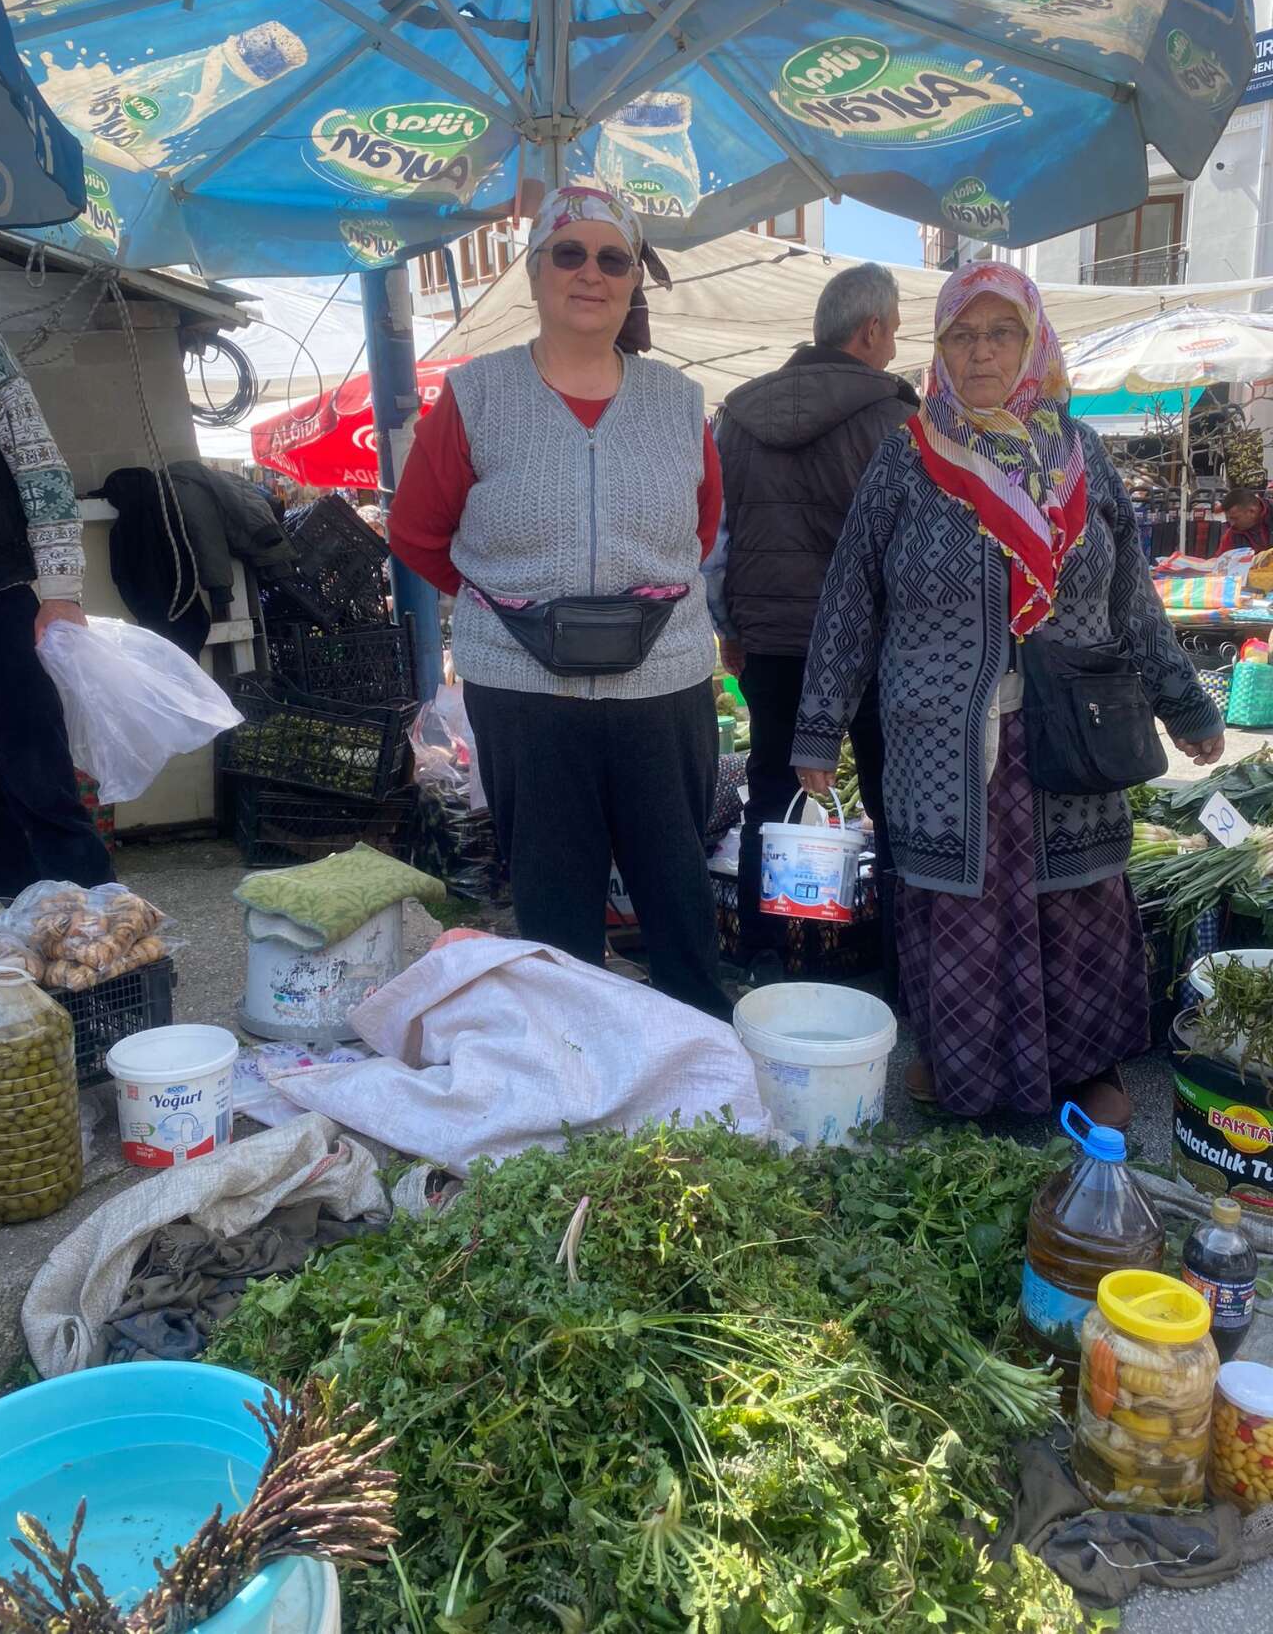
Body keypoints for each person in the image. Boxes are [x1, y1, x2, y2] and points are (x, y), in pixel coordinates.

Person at [792, 262, 1223, 1129]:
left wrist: (1187, 703)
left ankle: (1086, 1064)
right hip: (941, 735)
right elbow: (849, 597)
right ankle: (960, 1065)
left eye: (1001, 333)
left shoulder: (1079, 453)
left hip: (1069, 728)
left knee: (1079, 901)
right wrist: (817, 729)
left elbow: (1130, 595)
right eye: (962, 333)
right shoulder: (908, 458)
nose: (981, 351)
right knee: (955, 905)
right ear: (939, 346)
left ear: (1033, 343)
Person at [389, 185, 730, 1022]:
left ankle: (700, 1062)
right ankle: (573, 1069)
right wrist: (511, 609)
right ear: (535, 271)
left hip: (665, 684)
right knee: (552, 903)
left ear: (632, 281)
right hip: (526, 692)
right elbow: (418, 533)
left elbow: (701, 527)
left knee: (678, 892)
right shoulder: (476, 395)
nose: (590, 273)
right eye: (567, 253)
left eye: (612, 258)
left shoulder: (679, 401)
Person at [709, 263, 917, 984]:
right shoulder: (894, 418)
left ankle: (764, 952)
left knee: (769, 791)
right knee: (895, 799)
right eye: (892, 329)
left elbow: (717, 542)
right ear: (870, 331)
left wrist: (726, 626)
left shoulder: (735, 414)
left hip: (767, 639)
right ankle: (895, 964)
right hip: (873, 647)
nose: (894, 344)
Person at [0, 325, 114, 896]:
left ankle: (100, 953)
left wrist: (61, 586)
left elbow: (37, 463)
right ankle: (11, 958)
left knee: (38, 783)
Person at [1218, 484, 1273, 553]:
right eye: (1228, 519)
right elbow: (1221, 560)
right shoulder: (1232, 535)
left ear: (1252, 511)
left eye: (1235, 518)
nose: (1231, 524)